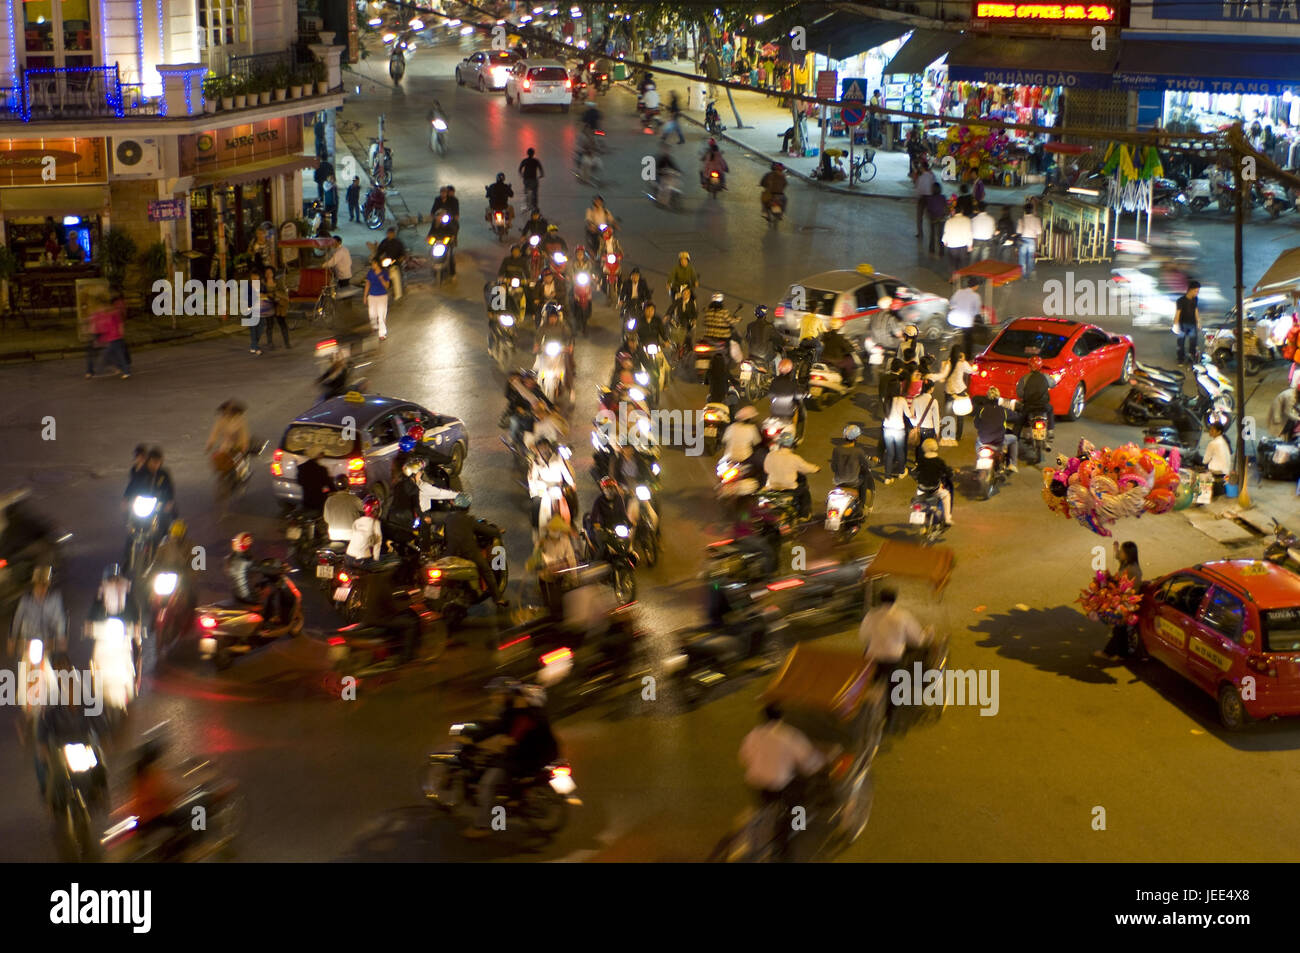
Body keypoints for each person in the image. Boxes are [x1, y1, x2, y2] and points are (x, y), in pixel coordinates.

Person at [463, 678, 560, 839]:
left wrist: (505, 742)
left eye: (497, 694)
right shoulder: (520, 711)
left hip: (529, 758)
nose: (493, 698)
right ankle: (508, 804)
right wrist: (475, 734)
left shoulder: (524, 716)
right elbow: (499, 727)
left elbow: (512, 735)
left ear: (509, 695)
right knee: (495, 763)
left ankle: (484, 826)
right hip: (538, 754)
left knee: (487, 783)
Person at [737, 703, 827, 859]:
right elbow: (809, 761)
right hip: (779, 784)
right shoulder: (789, 736)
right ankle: (793, 833)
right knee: (798, 800)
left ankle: (762, 824)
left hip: (756, 782)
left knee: (765, 806)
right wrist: (819, 764)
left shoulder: (754, 734)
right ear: (782, 716)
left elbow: (743, 757)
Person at [431, 493, 508, 606]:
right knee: (487, 571)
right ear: (467, 507)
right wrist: (498, 531)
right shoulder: (469, 520)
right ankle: (497, 598)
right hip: (468, 552)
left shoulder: (448, 518)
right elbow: (486, 530)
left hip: (450, 552)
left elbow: (442, 531)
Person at [858, 588, 929, 675]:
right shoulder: (903, 615)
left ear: (879, 599)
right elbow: (917, 640)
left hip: (872, 658)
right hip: (893, 659)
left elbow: (863, 637)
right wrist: (926, 634)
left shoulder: (871, 615)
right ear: (895, 599)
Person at [1097, 541, 1143, 662]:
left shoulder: (1132, 570)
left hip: (1126, 602)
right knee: (1120, 628)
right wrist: (1116, 548)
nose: (1120, 554)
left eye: (1122, 552)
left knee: (1119, 628)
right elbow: (1118, 557)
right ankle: (1121, 654)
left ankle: (1108, 652)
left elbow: (1128, 588)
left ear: (1128, 554)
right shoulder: (1127, 563)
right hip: (1122, 600)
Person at [7, 564, 66, 659]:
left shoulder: (54, 599)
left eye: (45, 585)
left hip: (47, 641)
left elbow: (59, 619)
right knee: (23, 668)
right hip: (27, 641)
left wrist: (61, 636)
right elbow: (17, 619)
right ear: (35, 584)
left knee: (49, 669)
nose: (42, 589)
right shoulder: (25, 600)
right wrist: (12, 638)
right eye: (40, 585)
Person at [764, 432, 818, 519]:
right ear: (792, 444)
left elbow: (766, 469)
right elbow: (806, 468)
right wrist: (816, 468)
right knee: (805, 492)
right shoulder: (794, 458)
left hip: (772, 487)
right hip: (789, 488)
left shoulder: (770, 455)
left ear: (779, 443)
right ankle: (803, 516)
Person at [928, 347, 974, 444]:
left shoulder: (948, 363)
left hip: (949, 391)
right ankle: (958, 436)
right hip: (960, 391)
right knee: (960, 415)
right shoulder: (962, 363)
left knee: (948, 414)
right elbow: (971, 371)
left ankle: (948, 434)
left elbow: (943, 375)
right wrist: (964, 360)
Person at [974, 386, 1018, 472]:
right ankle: (1013, 464)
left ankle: (979, 461)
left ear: (987, 396)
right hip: (998, 441)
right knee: (1014, 439)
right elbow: (1015, 416)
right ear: (998, 397)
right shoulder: (1003, 410)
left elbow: (976, 424)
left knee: (977, 441)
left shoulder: (981, 409)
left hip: (984, 440)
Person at [1016, 356, 1055, 449]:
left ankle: (1015, 437)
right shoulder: (1046, 377)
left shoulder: (1024, 378)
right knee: (1051, 409)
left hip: (1029, 406)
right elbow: (1053, 384)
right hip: (1044, 406)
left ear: (1029, 367)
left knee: (1020, 420)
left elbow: (1020, 394)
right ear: (1041, 366)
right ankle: (1050, 430)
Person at [913, 438, 954, 525]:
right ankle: (947, 518)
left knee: (918, 500)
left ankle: (918, 512)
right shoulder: (939, 461)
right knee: (946, 496)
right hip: (934, 489)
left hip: (921, 488)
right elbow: (947, 473)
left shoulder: (920, 460)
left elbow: (916, 472)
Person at [90, 292, 131, 378]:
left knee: (107, 354)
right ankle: (125, 370)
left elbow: (119, 324)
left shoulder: (113, 314)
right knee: (117, 355)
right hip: (112, 338)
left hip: (115, 338)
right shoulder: (107, 314)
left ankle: (100, 369)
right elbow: (104, 327)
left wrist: (121, 332)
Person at [831, 424, 875, 502]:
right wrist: (875, 461)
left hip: (838, 481)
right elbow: (869, 464)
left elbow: (833, 467)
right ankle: (863, 502)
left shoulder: (836, 450)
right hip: (853, 482)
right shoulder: (858, 451)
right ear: (856, 438)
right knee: (865, 477)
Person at [947, 277, 982, 358]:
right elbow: (976, 311)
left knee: (954, 338)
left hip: (953, 320)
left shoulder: (959, 292)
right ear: (976, 286)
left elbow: (951, 304)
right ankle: (968, 358)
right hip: (966, 322)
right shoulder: (975, 296)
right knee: (968, 340)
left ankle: (952, 355)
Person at [323, 475, 364, 542]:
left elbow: (326, 519)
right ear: (348, 485)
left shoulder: (329, 500)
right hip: (351, 535)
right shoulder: (354, 499)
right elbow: (365, 510)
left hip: (334, 535)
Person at [820, 317, 857, 388]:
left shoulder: (825, 335)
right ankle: (847, 380)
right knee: (850, 360)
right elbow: (848, 348)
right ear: (839, 327)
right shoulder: (839, 337)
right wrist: (852, 348)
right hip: (835, 360)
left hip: (824, 358)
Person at [261, 267, 290, 349]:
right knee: (270, 325)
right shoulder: (263, 284)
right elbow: (261, 294)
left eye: (270, 272)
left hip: (279, 306)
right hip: (268, 306)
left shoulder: (278, 283)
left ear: (273, 273)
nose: (268, 274)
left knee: (282, 324)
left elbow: (283, 293)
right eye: (267, 272)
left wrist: (276, 295)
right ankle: (270, 343)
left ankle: (287, 342)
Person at [376, 227, 407, 302]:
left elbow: (402, 253)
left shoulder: (398, 243)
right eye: (389, 234)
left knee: (398, 277)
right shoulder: (384, 242)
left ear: (394, 234)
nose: (390, 235)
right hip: (386, 263)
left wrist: (400, 258)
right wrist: (378, 258)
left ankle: (399, 294)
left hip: (396, 263)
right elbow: (379, 251)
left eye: (391, 234)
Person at [364, 257, 391, 341]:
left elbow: (387, 286)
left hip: (382, 297)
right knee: (372, 315)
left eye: (373, 263)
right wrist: (365, 296)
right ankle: (375, 327)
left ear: (378, 264)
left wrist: (381, 279)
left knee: (381, 316)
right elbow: (367, 284)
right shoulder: (370, 273)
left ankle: (382, 333)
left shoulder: (384, 273)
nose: (372, 265)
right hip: (372, 296)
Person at [1174, 280, 1201, 364]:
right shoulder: (1181, 300)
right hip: (1182, 324)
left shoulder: (1195, 299)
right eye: (1196, 291)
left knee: (1193, 342)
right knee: (1181, 343)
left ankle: (1191, 358)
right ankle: (1180, 359)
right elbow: (1178, 313)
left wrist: (1198, 322)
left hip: (1192, 324)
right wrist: (1176, 324)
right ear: (1190, 290)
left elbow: (1196, 310)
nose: (1197, 293)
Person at [1204, 421, 1232, 496]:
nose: (1210, 431)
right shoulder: (1224, 440)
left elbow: (1205, 460)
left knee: (1202, 468)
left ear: (1219, 432)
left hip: (1218, 471)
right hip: (1226, 470)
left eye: (1212, 430)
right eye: (1210, 429)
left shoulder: (1213, 443)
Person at [1017, 201, 1043, 279]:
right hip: (1032, 241)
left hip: (1023, 240)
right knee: (1030, 258)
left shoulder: (1021, 219)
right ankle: (1030, 274)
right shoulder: (1036, 219)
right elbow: (1039, 232)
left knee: (1022, 258)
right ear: (1032, 210)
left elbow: (1018, 231)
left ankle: (1023, 275)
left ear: (1024, 210)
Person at [925, 181, 947, 257]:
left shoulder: (930, 198)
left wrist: (931, 216)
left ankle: (932, 250)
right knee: (940, 235)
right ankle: (941, 251)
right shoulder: (943, 197)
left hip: (933, 218)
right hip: (941, 218)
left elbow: (928, 209)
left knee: (932, 234)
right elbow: (945, 207)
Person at [914, 160, 935, 238]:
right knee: (930, 217)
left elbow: (919, 188)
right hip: (930, 198)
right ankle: (932, 232)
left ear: (922, 168)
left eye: (920, 167)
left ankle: (920, 233)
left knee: (919, 217)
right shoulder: (932, 175)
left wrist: (917, 197)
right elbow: (934, 185)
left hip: (922, 198)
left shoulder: (921, 177)